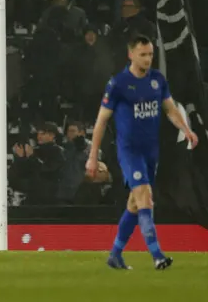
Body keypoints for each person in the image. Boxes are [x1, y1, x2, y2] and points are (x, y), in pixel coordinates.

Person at [85, 35, 198, 270]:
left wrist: (186, 129)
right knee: (146, 197)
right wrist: (93, 156)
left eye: (150, 55)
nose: (148, 59)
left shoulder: (157, 79)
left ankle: (115, 254)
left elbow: (170, 109)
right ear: (131, 55)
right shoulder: (119, 84)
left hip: (151, 151)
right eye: (143, 54)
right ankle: (157, 255)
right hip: (129, 151)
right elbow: (101, 122)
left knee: (135, 205)